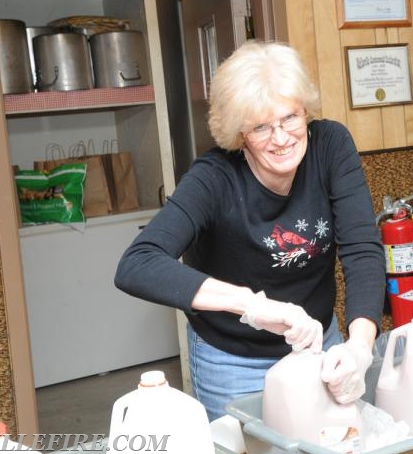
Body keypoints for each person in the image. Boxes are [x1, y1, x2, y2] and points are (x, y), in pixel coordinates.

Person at [114, 41, 385, 421]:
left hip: (319, 347)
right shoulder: (214, 177)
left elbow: (361, 249)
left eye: (290, 118)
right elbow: (137, 265)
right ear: (240, 134)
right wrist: (252, 305)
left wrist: (359, 349)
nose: (281, 138)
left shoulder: (331, 146)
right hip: (232, 361)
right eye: (260, 126)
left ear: (305, 110)